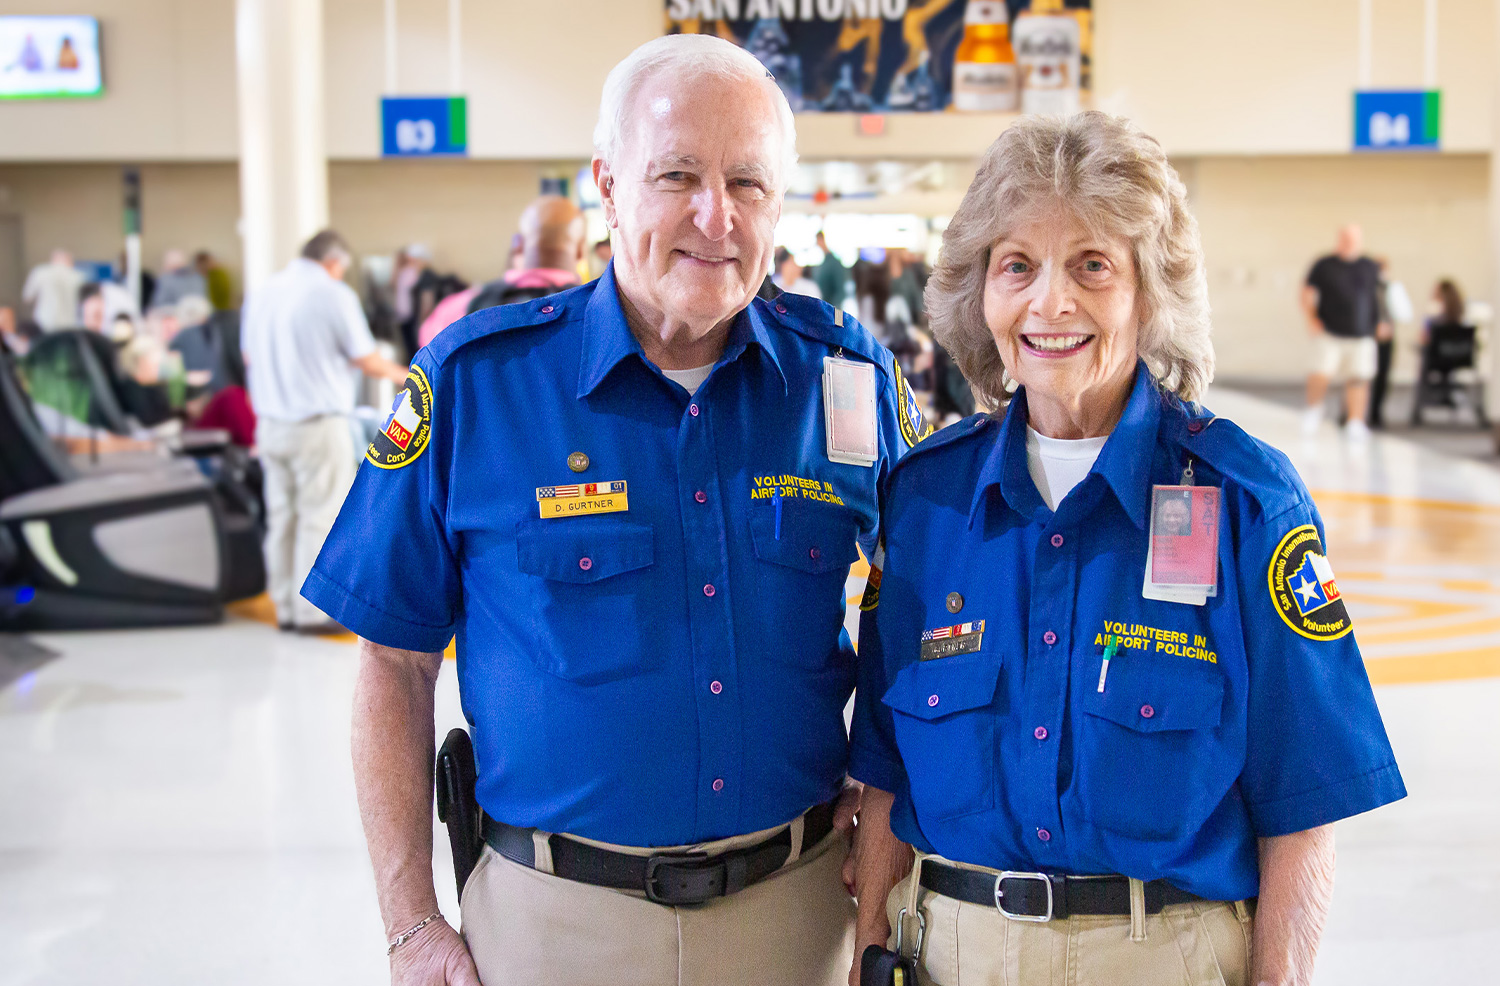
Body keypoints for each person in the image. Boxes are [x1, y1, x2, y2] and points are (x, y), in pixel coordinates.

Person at [302, 33, 929, 986]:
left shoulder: (848, 380)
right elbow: (393, 663)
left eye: (750, 184)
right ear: (608, 183)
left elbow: (928, 617)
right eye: (677, 174)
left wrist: (886, 840)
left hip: (798, 916)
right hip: (552, 927)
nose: (715, 216)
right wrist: (409, 924)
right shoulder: (479, 385)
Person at [847, 113, 1406, 986]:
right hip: (950, 951)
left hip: (1161, 958)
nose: (1050, 303)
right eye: (1017, 266)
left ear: (1150, 295)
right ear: (979, 293)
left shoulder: (1247, 499)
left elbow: (1302, 807)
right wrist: (866, 956)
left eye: (1093, 266)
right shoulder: (924, 501)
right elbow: (883, 771)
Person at [241, 230, 409, 633]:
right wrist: (411, 377)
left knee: (281, 517)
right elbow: (367, 359)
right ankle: (313, 614)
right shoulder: (333, 294)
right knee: (321, 514)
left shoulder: (263, 291)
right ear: (335, 262)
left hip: (270, 424)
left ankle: (283, 606)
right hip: (316, 424)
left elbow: (248, 356)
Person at [1300, 225, 1382, 440]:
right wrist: (1311, 319)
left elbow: (1378, 296)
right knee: (1320, 372)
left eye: (1353, 238)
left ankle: (1355, 421)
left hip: (1362, 333)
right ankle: (1314, 411)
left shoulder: (1369, 266)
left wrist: (1382, 321)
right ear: (1339, 239)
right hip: (1330, 331)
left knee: (1359, 377)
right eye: (1346, 237)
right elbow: (1307, 292)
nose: (1349, 242)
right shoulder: (1324, 264)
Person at [22, 248, 85, 332]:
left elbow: (27, 297)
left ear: (53, 259)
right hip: (70, 324)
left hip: (44, 322)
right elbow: (83, 303)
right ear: (70, 261)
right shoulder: (79, 276)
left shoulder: (40, 272)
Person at [812, 230, 848, 308]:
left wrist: (837, 317)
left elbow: (840, 291)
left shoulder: (834, 263)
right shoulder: (823, 263)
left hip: (833, 308)